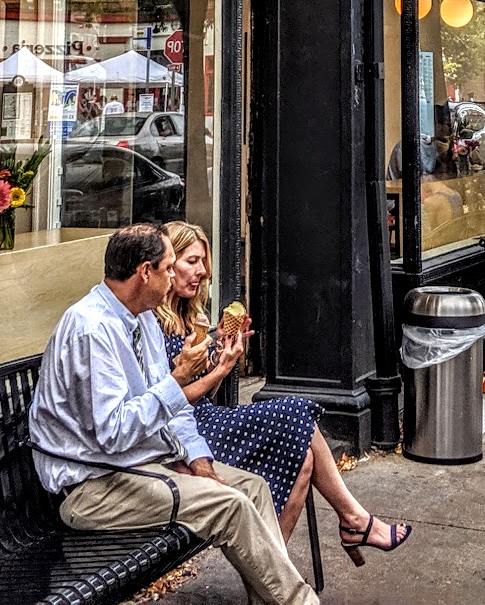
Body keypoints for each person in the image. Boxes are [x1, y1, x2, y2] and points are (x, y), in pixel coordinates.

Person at [29, 224, 319, 605]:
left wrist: (201, 463)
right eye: (168, 268)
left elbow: (174, 411)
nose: (173, 277)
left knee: (251, 488)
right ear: (144, 272)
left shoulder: (142, 316)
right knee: (228, 505)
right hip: (92, 486)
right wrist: (178, 378)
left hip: (141, 464)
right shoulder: (90, 330)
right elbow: (112, 433)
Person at [158, 222, 410, 565]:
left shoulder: (193, 318)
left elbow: (206, 394)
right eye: (191, 261)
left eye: (204, 262)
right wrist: (219, 369)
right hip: (182, 435)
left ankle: (274, 580)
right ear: (168, 265)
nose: (202, 272)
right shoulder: (152, 324)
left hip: (205, 420)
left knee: (304, 458)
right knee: (297, 412)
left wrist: (223, 359)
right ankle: (350, 524)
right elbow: (169, 403)